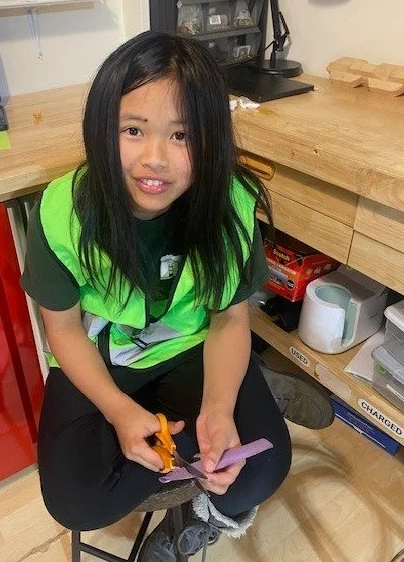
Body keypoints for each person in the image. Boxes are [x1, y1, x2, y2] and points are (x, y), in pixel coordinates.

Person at [21, 31, 332, 561]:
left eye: (182, 135)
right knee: (75, 502)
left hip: (192, 347)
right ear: (101, 129)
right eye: (133, 130)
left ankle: (201, 500)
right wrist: (120, 412)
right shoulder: (62, 211)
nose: (155, 159)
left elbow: (229, 318)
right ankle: (258, 393)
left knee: (260, 468)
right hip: (104, 355)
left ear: (211, 139)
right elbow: (64, 330)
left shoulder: (229, 204)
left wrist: (219, 408)